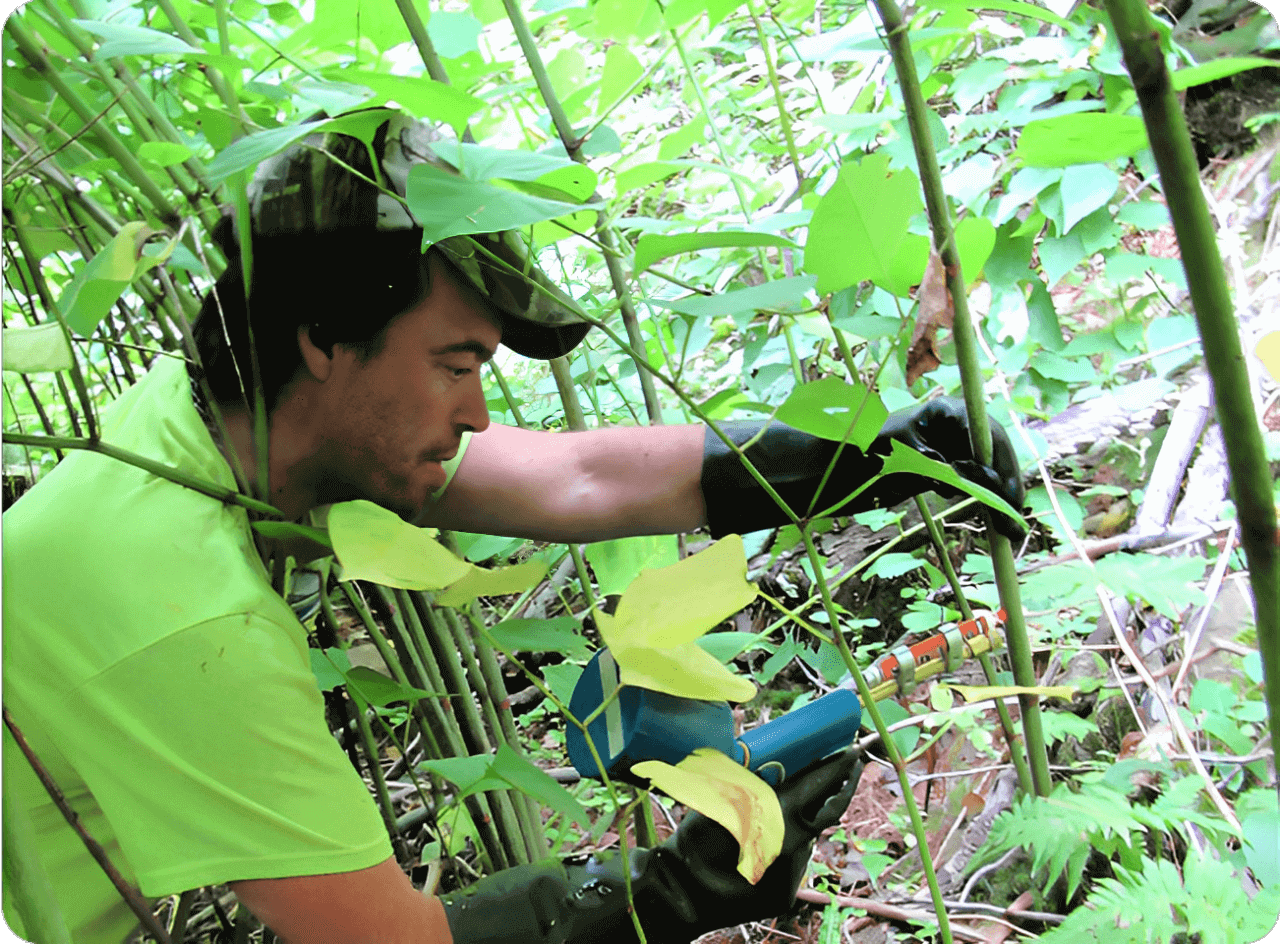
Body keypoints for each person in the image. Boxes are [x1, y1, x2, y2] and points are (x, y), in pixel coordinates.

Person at [2, 108, 1025, 944]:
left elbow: (574, 478)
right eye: (455, 364)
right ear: (323, 338)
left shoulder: (215, 417)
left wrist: (875, 455)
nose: (478, 413)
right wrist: (673, 888)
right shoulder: (187, 615)